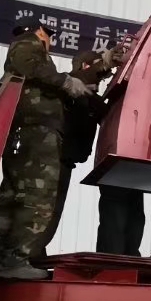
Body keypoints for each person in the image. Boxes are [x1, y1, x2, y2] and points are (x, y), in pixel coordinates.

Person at [0, 15, 92, 280]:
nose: (49, 42)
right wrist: (65, 82)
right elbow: (28, 64)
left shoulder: (30, 63)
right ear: (40, 32)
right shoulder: (28, 45)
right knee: (37, 196)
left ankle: (1, 258)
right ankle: (16, 258)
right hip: (38, 134)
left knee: (13, 195)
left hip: (25, 134)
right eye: (48, 36)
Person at [39, 48, 122, 255]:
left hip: (64, 162)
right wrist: (104, 64)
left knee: (52, 214)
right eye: (99, 72)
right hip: (52, 162)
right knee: (43, 212)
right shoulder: (69, 86)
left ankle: (35, 252)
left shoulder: (89, 96)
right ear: (86, 66)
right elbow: (80, 81)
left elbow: (103, 111)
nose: (102, 78)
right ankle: (30, 253)